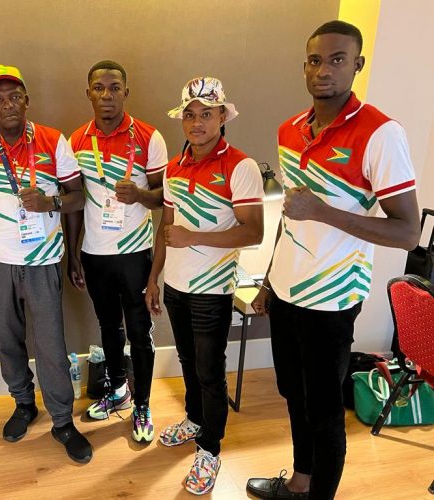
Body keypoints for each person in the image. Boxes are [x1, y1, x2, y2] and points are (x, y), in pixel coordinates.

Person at [245, 20, 420, 500]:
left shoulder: (381, 134)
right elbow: (292, 217)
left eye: (337, 60)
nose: (323, 70)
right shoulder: (289, 130)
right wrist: (267, 280)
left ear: (357, 65)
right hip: (284, 291)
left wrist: (322, 210)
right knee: (293, 396)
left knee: (324, 413)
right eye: (315, 60)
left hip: (333, 298)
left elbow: (407, 232)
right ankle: (301, 483)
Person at [0, 64, 93, 464]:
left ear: (27, 100)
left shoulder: (53, 141)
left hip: (42, 260)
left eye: (15, 96)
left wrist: (51, 202)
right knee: (7, 340)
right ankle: (24, 404)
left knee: (51, 345)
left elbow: (78, 197)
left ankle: (62, 421)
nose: (8, 105)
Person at [145, 76, 264, 495]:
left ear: (221, 117)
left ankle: (210, 450)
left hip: (212, 291)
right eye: (190, 114)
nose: (197, 122)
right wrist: (153, 279)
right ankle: (195, 420)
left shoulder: (241, 166)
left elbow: (253, 233)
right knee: (187, 361)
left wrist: (194, 237)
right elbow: (167, 227)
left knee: (211, 373)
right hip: (175, 286)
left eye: (206, 114)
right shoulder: (175, 167)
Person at [66, 60, 168, 442]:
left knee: (139, 332)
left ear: (126, 91)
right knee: (108, 327)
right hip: (94, 252)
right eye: (99, 88)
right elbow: (74, 201)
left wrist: (141, 195)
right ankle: (118, 390)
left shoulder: (148, 137)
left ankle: (142, 403)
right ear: (88, 92)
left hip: (135, 253)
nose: (106, 95)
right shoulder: (75, 140)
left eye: (114, 87)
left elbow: (165, 198)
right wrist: (73, 253)